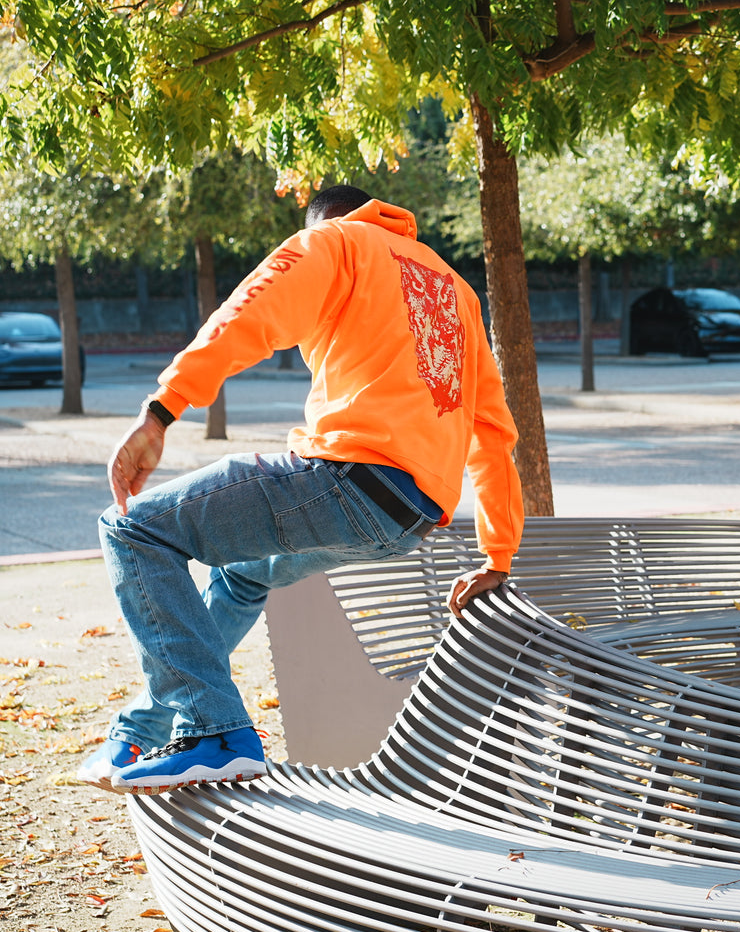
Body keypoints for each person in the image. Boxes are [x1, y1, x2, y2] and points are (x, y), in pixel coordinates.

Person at [78, 184, 523, 796]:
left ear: (319, 225)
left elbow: (251, 310)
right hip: (406, 518)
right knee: (242, 577)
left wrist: (162, 409)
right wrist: (497, 555)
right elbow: (494, 432)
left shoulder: (335, 242)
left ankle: (215, 733)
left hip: (347, 479)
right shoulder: (455, 290)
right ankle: (140, 731)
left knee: (132, 529)